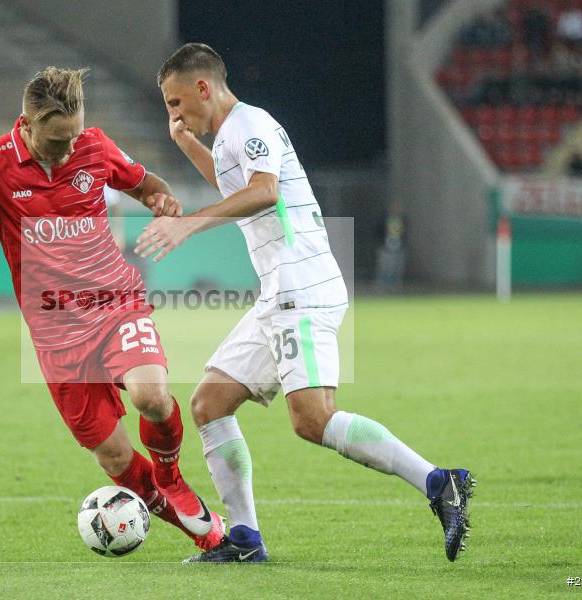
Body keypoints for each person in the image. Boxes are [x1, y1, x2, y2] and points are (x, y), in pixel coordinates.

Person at [140, 43, 475, 563]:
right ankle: (246, 541)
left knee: (312, 419)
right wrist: (186, 143)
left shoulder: (250, 125)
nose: (174, 113)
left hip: (301, 287)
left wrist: (189, 223)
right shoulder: (231, 135)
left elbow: (264, 192)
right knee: (209, 403)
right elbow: (236, 186)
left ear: (202, 88)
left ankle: (438, 482)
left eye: (175, 102)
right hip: (278, 292)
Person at [0, 67, 224, 552]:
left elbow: (147, 183)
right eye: (56, 140)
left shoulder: (95, 146)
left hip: (115, 303)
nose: (67, 150)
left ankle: (171, 476)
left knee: (151, 396)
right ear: (25, 125)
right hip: (57, 336)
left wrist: (161, 199)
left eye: (74, 137)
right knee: (116, 457)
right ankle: (202, 531)